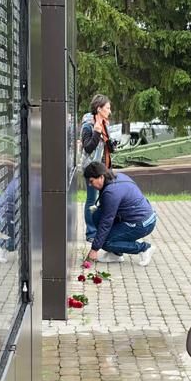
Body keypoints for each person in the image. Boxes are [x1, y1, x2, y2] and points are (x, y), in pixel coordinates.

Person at [82, 161, 156, 265]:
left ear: (101, 177)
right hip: (139, 217)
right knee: (97, 215)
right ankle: (116, 254)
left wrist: (94, 249)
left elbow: (106, 222)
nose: (90, 184)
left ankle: (144, 248)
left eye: (91, 181)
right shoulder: (117, 177)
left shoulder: (111, 192)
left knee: (105, 242)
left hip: (142, 224)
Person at [81, 95, 116, 252]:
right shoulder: (88, 126)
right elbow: (88, 148)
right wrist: (96, 132)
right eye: (107, 108)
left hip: (105, 168)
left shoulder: (104, 123)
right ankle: (91, 232)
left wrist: (111, 142)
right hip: (92, 170)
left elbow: (107, 146)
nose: (110, 111)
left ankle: (101, 230)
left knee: (104, 199)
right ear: (99, 109)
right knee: (91, 200)